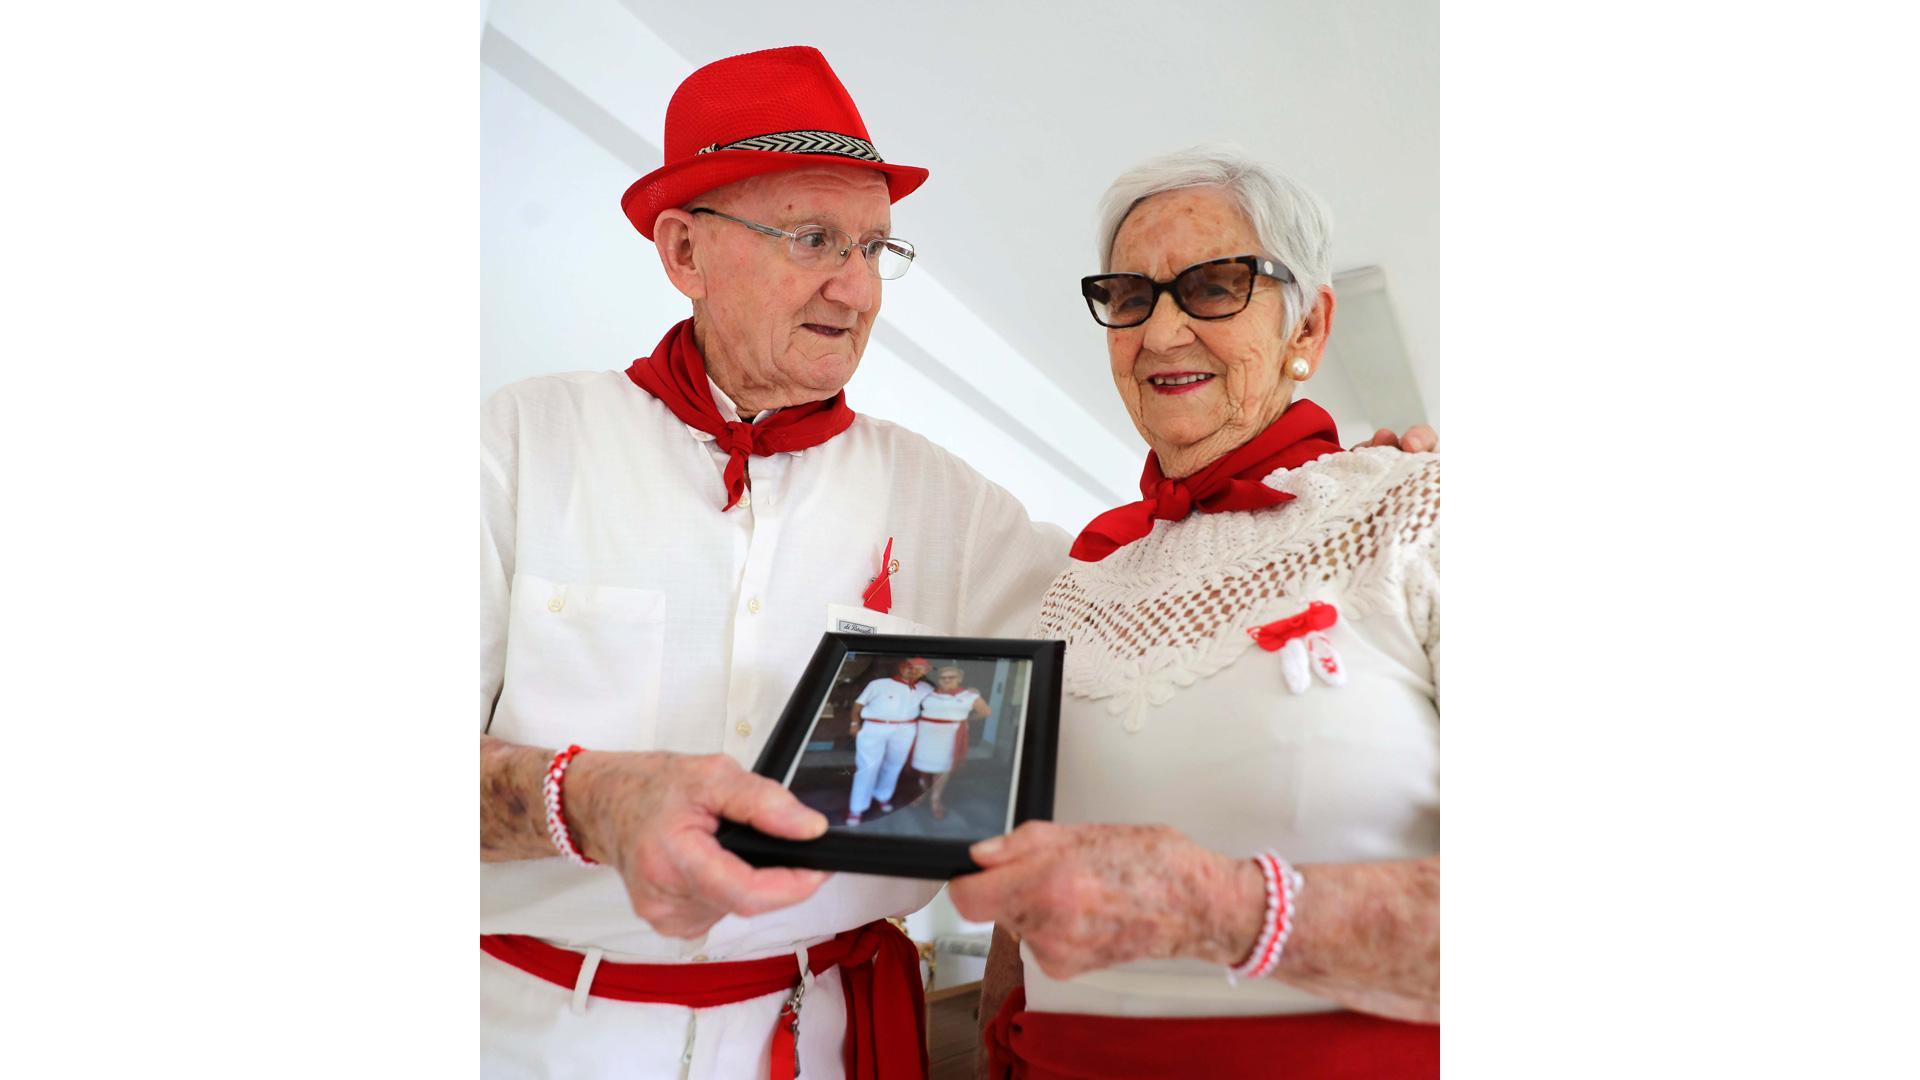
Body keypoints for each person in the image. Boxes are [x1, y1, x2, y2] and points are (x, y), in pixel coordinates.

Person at [477, 47, 1077, 1080]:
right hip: (529, 1038)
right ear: (683, 250)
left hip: (829, 1035)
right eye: (813, 239)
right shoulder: (515, 446)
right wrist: (592, 800)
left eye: (877, 248)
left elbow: (1147, 618)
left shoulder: (954, 505)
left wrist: (1347, 491)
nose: (858, 288)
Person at [950, 147, 1441, 1078]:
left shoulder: (1420, 509)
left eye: (1215, 286)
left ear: (1311, 324)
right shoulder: (1077, 581)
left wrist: (1222, 907)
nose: (1164, 330)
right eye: (1131, 296)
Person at [845, 657, 933, 824]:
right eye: (909, 666)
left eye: (920, 668)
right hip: (875, 727)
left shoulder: (925, 688)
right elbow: (858, 705)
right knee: (868, 766)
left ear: (926, 672)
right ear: (901, 667)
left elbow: (939, 701)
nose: (913, 670)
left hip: (906, 729)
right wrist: (855, 723)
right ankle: (856, 808)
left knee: (894, 764)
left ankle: (882, 796)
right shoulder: (879, 684)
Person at [911, 665, 990, 819]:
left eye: (951, 677)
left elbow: (985, 712)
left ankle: (935, 799)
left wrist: (966, 720)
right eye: (943, 677)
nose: (947, 680)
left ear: (960, 679)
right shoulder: (928, 693)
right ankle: (922, 793)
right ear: (938, 679)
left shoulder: (970, 696)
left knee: (942, 767)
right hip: (925, 735)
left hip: (949, 737)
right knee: (923, 765)